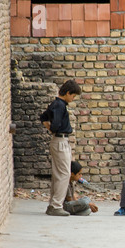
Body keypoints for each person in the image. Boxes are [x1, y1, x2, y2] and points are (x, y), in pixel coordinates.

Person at [40, 80, 81, 216]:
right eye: (73, 96)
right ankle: (56, 205)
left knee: (59, 174)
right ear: (68, 93)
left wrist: (48, 126)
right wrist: (52, 129)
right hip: (60, 140)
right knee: (64, 174)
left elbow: (44, 117)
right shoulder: (59, 105)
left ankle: (53, 204)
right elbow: (55, 124)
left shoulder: (56, 104)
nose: (73, 99)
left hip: (60, 141)